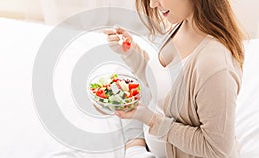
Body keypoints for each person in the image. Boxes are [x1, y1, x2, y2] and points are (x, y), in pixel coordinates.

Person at [103, 0, 245, 157]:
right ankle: (135, 147)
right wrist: (129, 51)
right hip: (156, 138)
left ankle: (134, 147)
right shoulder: (182, 23)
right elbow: (159, 82)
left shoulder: (214, 65)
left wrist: (151, 120)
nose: (152, 5)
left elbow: (217, 150)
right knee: (124, 91)